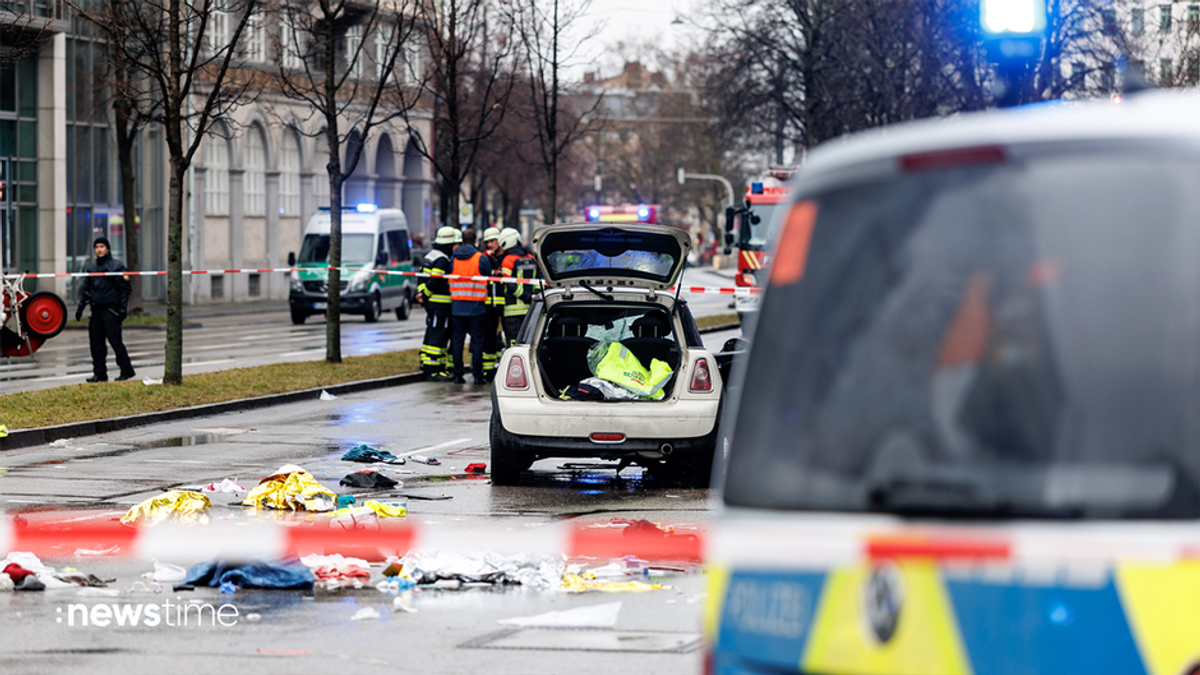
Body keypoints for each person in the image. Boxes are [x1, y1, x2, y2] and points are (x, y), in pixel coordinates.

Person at [76, 236, 135, 383]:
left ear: (107, 249)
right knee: (96, 344)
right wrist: (80, 307)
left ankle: (126, 370)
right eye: (97, 247)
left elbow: (125, 289)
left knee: (115, 342)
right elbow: (86, 291)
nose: (99, 249)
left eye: (102, 246)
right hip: (96, 311)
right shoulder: (92, 269)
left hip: (111, 310)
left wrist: (122, 308)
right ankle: (100, 374)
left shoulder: (117, 267)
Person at [449, 228, 492, 384]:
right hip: (477, 308)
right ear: (475, 241)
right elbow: (489, 277)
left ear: (461, 240)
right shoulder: (481, 258)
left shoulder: (453, 258)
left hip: (457, 307)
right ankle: (477, 375)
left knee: (457, 342)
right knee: (477, 342)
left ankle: (457, 375)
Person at [416, 227, 459, 381]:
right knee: (439, 335)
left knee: (432, 332)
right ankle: (434, 370)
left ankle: (427, 362)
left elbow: (422, 278)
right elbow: (435, 280)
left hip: (432, 305)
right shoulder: (442, 259)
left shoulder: (430, 255)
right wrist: (426, 295)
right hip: (440, 305)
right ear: (449, 245)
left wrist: (422, 294)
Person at [497, 228, 538, 346]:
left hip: (512, 311)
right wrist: (534, 296)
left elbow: (510, 285)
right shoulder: (531, 258)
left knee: (513, 341)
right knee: (529, 341)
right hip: (531, 309)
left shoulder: (507, 260)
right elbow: (538, 280)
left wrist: (526, 297)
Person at [480, 226, 504, 381]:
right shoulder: (485, 258)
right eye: (488, 242)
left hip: (505, 305)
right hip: (488, 306)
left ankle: (503, 368)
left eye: (493, 241)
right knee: (489, 337)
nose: (490, 244)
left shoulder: (506, 258)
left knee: (506, 338)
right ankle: (489, 370)